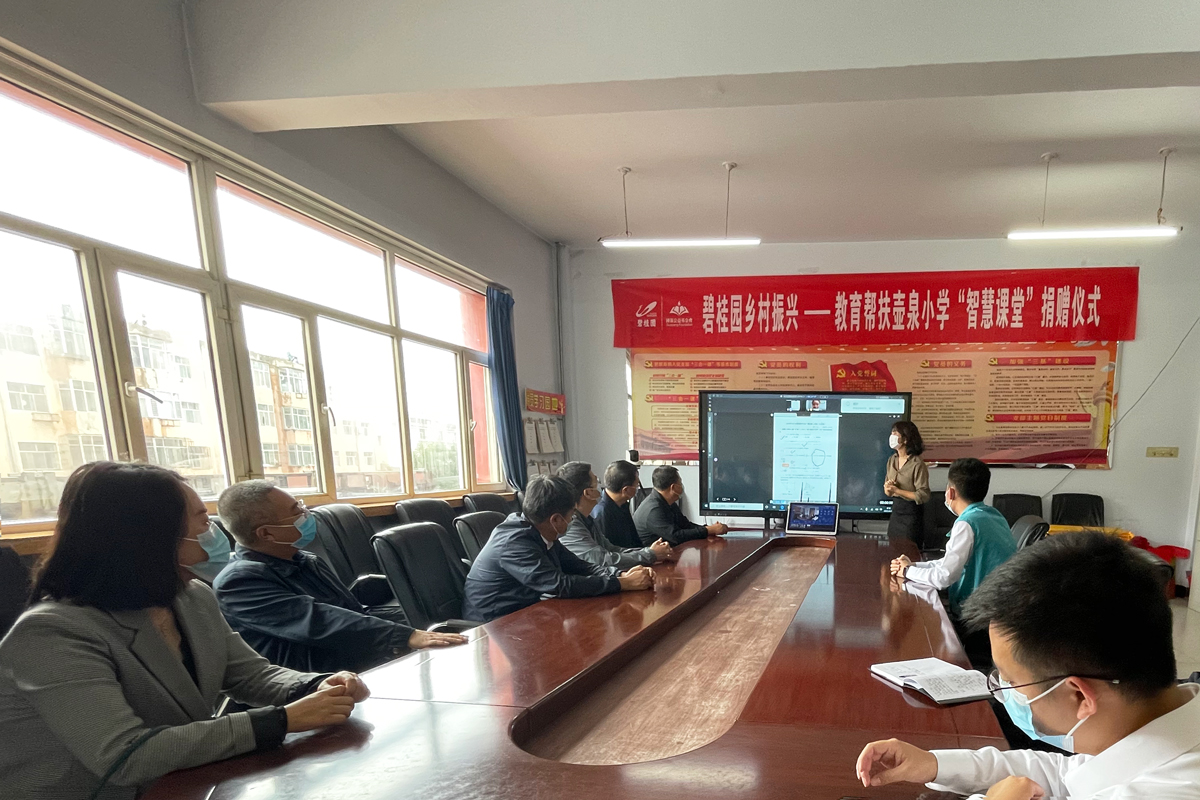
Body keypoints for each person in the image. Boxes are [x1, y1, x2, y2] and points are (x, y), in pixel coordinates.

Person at [0, 462, 369, 799]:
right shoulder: (50, 634)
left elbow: (250, 675)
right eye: (202, 521)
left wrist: (316, 686)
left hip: (181, 785)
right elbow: (125, 756)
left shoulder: (191, 597)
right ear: (149, 535)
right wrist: (283, 720)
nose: (214, 532)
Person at [857, 532, 1200, 799]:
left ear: (1080, 696)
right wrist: (934, 764)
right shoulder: (1141, 724)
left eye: (1011, 683)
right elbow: (1064, 774)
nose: (1005, 693)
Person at [212, 480, 465, 673]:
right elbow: (319, 621)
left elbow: (353, 611)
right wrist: (405, 636)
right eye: (296, 510)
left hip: (354, 667)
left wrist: (415, 628)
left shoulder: (304, 559)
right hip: (314, 685)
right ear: (267, 533)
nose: (306, 513)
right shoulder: (238, 582)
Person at [462, 475, 655, 622]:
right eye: (571, 515)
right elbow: (559, 584)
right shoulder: (514, 543)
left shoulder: (540, 531)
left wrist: (621, 574)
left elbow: (579, 566)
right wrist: (621, 584)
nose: (572, 520)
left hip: (524, 613)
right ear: (555, 519)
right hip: (492, 624)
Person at [890, 457, 1015, 616]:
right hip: (1001, 610)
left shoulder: (966, 524)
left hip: (978, 616)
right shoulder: (993, 515)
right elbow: (947, 564)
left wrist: (906, 571)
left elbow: (944, 577)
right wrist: (912, 566)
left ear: (951, 492)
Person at [557, 461, 671, 570]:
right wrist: (650, 554)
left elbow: (611, 549)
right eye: (597, 482)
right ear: (588, 493)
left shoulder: (586, 518)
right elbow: (602, 559)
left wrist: (650, 552)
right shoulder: (571, 525)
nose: (601, 486)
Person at [633, 465, 728, 547]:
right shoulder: (654, 510)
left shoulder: (668, 502)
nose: (682, 485)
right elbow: (676, 536)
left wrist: (710, 528)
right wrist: (708, 530)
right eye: (680, 483)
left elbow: (685, 525)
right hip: (652, 559)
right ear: (673, 487)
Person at [883, 420, 931, 544]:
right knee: (893, 549)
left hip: (911, 515)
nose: (892, 436)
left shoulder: (917, 463)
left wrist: (898, 491)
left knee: (909, 551)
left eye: (896, 433)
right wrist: (888, 488)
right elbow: (888, 492)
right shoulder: (892, 460)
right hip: (895, 514)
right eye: (892, 433)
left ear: (905, 439)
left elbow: (923, 495)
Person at [591, 459, 644, 549]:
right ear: (626, 490)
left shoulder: (623, 504)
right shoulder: (602, 512)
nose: (637, 488)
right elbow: (609, 551)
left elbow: (635, 541)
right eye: (636, 485)